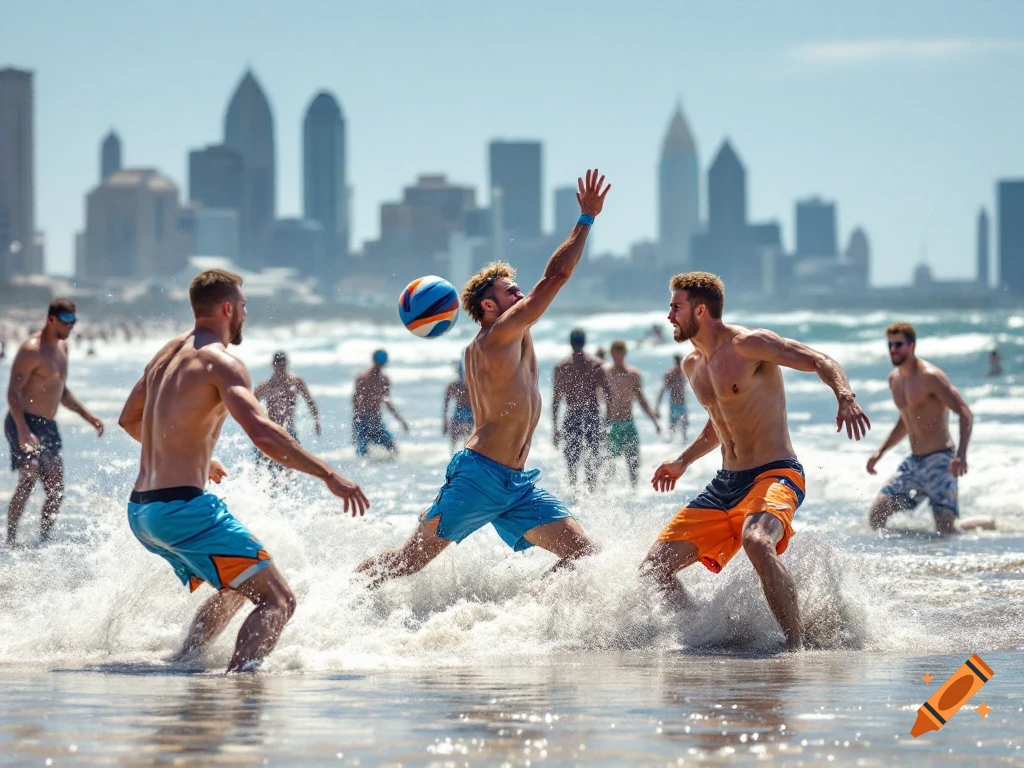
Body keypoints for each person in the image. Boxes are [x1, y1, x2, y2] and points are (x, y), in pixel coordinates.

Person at [357, 168, 610, 587]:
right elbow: (556, 277)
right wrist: (586, 219)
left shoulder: (511, 337)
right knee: (407, 561)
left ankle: (525, 619)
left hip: (516, 484)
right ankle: (337, 599)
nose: (520, 295)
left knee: (585, 554)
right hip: (480, 476)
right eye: (510, 291)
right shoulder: (495, 339)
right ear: (489, 308)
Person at [118, 269, 368, 673]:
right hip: (182, 510)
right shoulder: (222, 363)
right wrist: (328, 475)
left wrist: (192, 453)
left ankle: (183, 664)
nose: (246, 314)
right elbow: (263, 434)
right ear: (228, 308)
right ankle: (240, 686)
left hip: (143, 510)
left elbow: (129, 419)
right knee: (279, 600)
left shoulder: (166, 354)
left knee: (239, 584)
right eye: (245, 306)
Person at [641, 272, 871, 650]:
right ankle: (701, 635)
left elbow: (818, 359)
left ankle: (795, 647)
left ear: (701, 310)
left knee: (757, 541)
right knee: (654, 569)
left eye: (676, 307)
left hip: (774, 473)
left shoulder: (749, 345)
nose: (669, 316)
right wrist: (682, 461)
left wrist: (845, 396)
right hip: (725, 486)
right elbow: (720, 424)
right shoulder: (693, 367)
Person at [866, 323, 991, 534]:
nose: (893, 350)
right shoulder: (894, 380)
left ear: (912, 346)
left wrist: (961, 454)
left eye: (898, 344)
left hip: (941, 461)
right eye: (890, 345)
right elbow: (906, 421)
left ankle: (984, 523)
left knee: (947, 530)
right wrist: (880, 452)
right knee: (877, 516)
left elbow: (964, 412)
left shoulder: (930, 377)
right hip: (914, 463)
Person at [5, 299, 104, 546]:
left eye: (74, 322)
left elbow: (61, 391)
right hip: (23, 420)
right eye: (67, 322)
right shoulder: (31, 350)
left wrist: (87, 416)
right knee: (28, 477)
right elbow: (13, 393)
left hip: (47, 424)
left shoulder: (63, 349)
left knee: (55, 490)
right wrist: (23, 430)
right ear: (51, 319)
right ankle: (10, 541)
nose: (71, 327)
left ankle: (44, 541)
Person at [553, 328, 609, 491]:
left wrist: (555, 429)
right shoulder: (596, 364)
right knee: (593, 458)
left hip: (571, 417)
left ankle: (574, 497)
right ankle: (591, 494)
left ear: (570, 342)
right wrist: (608, 422)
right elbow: (608, 396)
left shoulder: (561, 367)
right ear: (584, 342)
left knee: (572, 461)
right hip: (592, 416)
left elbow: (556, 400)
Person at [253, 351, 322, 476]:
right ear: (273, 366)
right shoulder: (265, 386)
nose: (280, 368)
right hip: (269, 431)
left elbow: (309, 401)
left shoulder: (295, 382)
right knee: (262, 468)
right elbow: (249, 406)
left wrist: (317, 420)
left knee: (293, 467)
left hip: (289, 430)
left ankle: (289, 490)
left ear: (287, 365)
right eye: (278, 365)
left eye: (283, 365)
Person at [603, 340, 660, 488]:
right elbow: (596, 399)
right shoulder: (605, 373)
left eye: (621, 353)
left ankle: (634, 493)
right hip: (612, 425)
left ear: (624, 354)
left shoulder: (634, 374)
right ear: (612, 354)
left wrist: (654, 419)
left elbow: (641, 400)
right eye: (615, 353)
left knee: (633, 462)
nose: (618, 357)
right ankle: (606, 496)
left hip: (629, 423)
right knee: (609, 464)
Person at [352, 350, 409, 457]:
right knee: (364, 451)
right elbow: (387, 402)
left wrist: (400, 419)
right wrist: (400, 420)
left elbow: (356, 400)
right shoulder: (367, 378)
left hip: (371, 419)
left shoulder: (370, 378)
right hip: (366, 419)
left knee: (391, 448)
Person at [442, 361, 473, 453]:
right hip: (459, 412)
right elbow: (446, 405)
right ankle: (452, 456)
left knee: (468, 442)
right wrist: (444, 421)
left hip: (471, 412)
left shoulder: (474, 385)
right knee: (454, 441)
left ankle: (462, 457)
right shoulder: (453, 386)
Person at [657, 354, 688, 442]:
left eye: (679, 362)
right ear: (674, 362)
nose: (678, 364)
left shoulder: (683, 374)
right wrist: (657, 407)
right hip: (674, 405)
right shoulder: (670, 374)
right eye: (677, 362)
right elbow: (663, 390)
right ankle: (670, 446)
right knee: (672, 429)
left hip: (683, 404)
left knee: (684, 430)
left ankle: (683, 447)